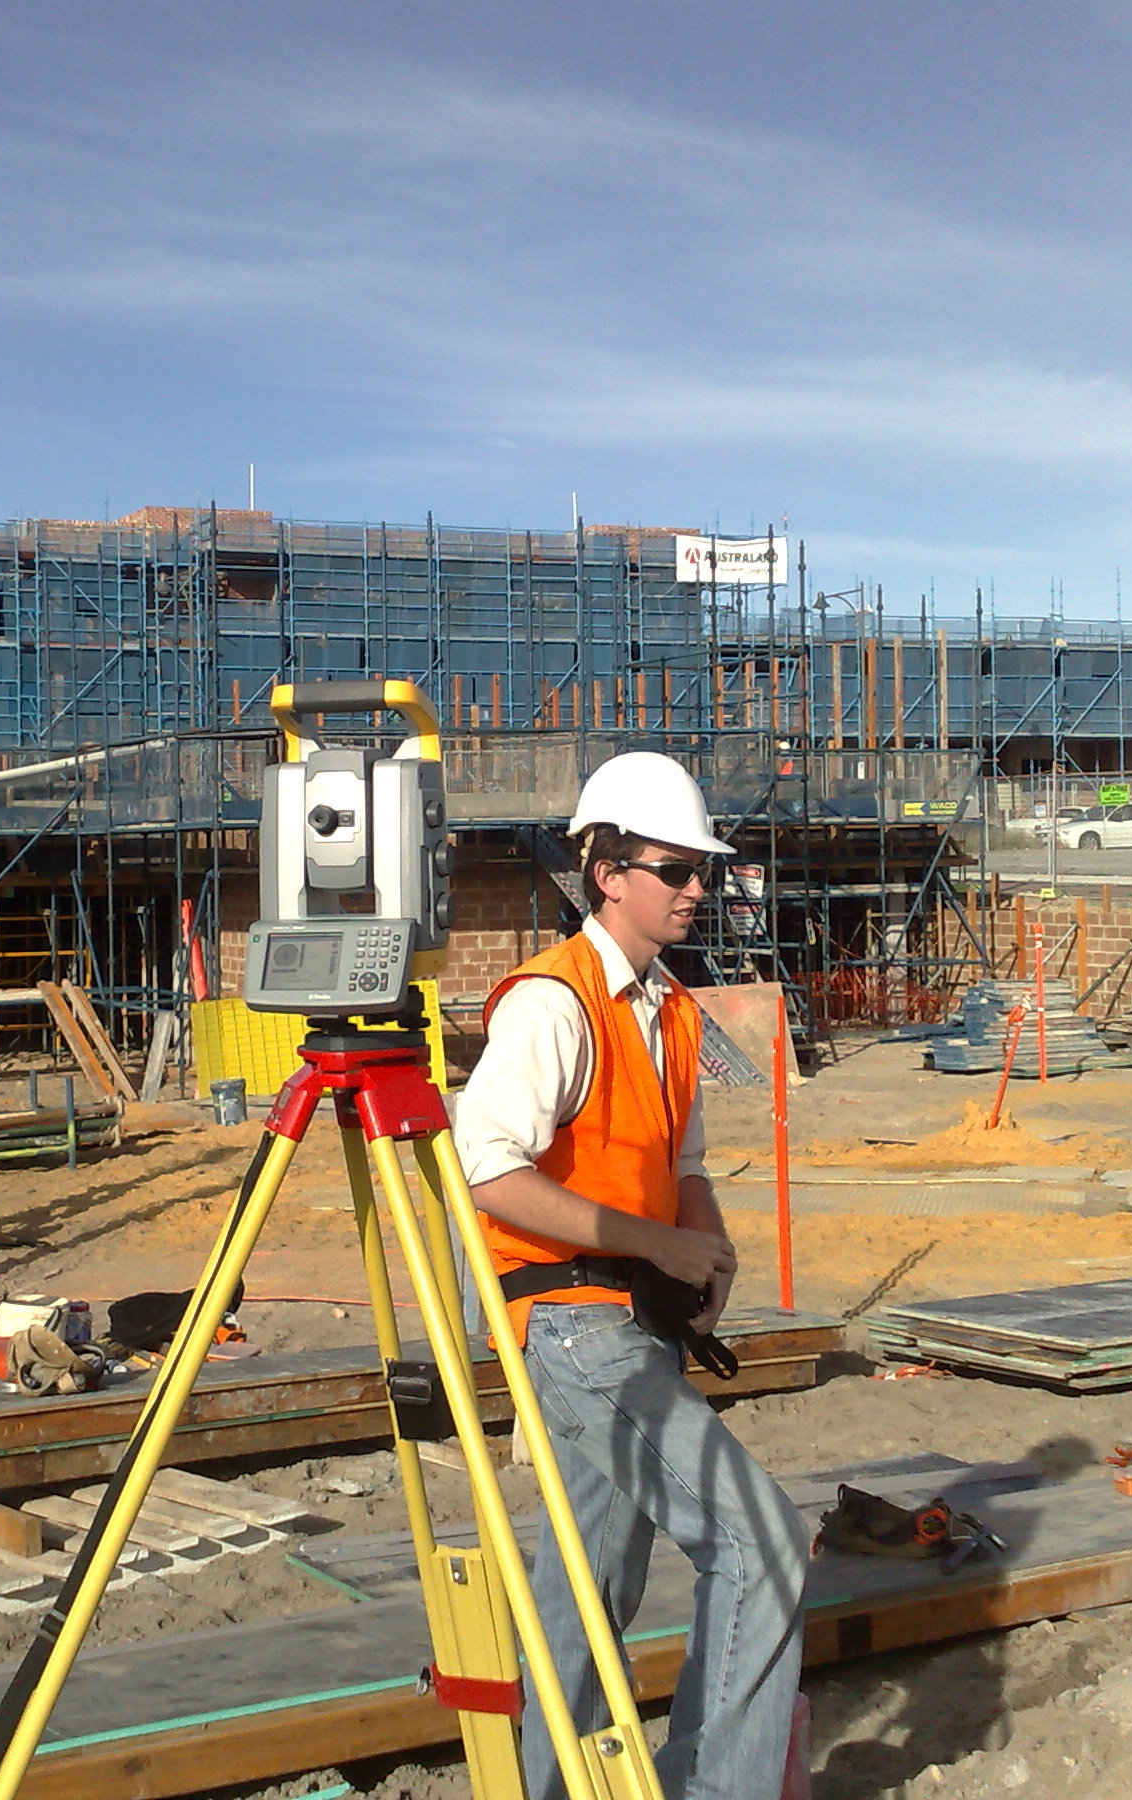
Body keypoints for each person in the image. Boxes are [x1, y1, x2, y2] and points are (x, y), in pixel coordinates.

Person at [455, 750, 810, 1800]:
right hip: (566, 1324)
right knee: (764, 1543)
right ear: (608, 872)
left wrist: (708, 1243)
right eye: (676, 869)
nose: (699, 887)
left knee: (589, 1584)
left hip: (629, 1322)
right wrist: (652, 1243)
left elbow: (684, 1164)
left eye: (703, 869)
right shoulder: (552, 1003)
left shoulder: (674, 1011)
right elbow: (488, 1171)